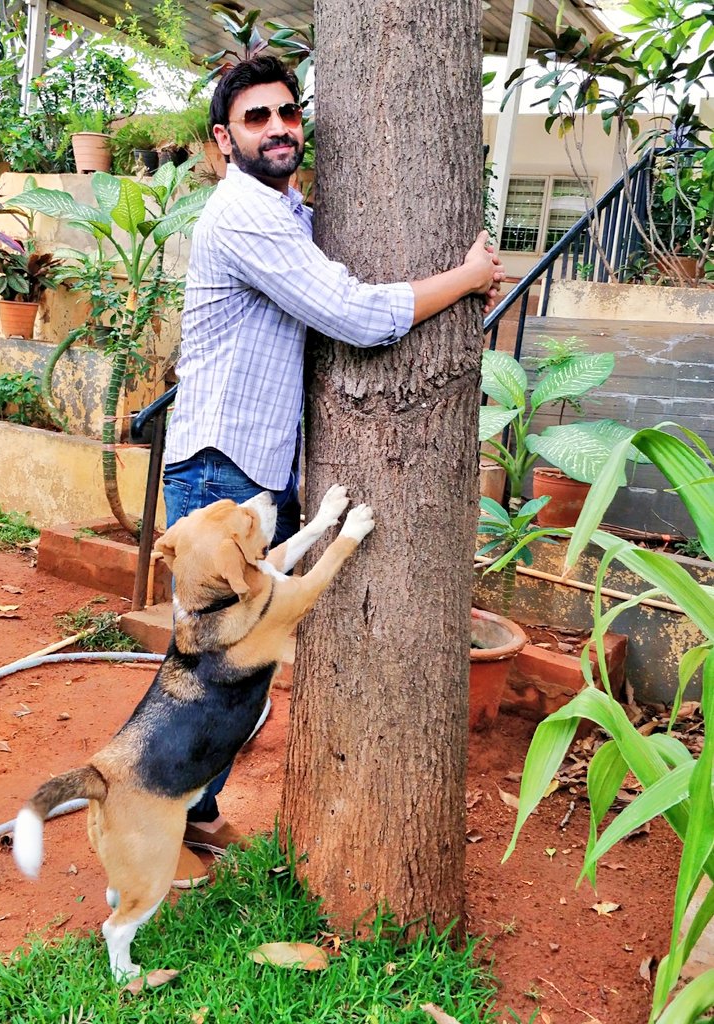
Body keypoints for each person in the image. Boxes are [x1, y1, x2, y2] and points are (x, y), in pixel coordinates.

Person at [163, 54, 506, 885]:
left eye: (287, 112)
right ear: (222, 141)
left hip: (248, 466)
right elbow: (352, 314)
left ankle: (193, 813)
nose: (278, 127)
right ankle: (160, 824)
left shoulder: (284, 212)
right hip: (217, 474)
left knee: (239, 674)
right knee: (212, 676)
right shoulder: (242, 215)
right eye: (256, 118)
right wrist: (466, 278)